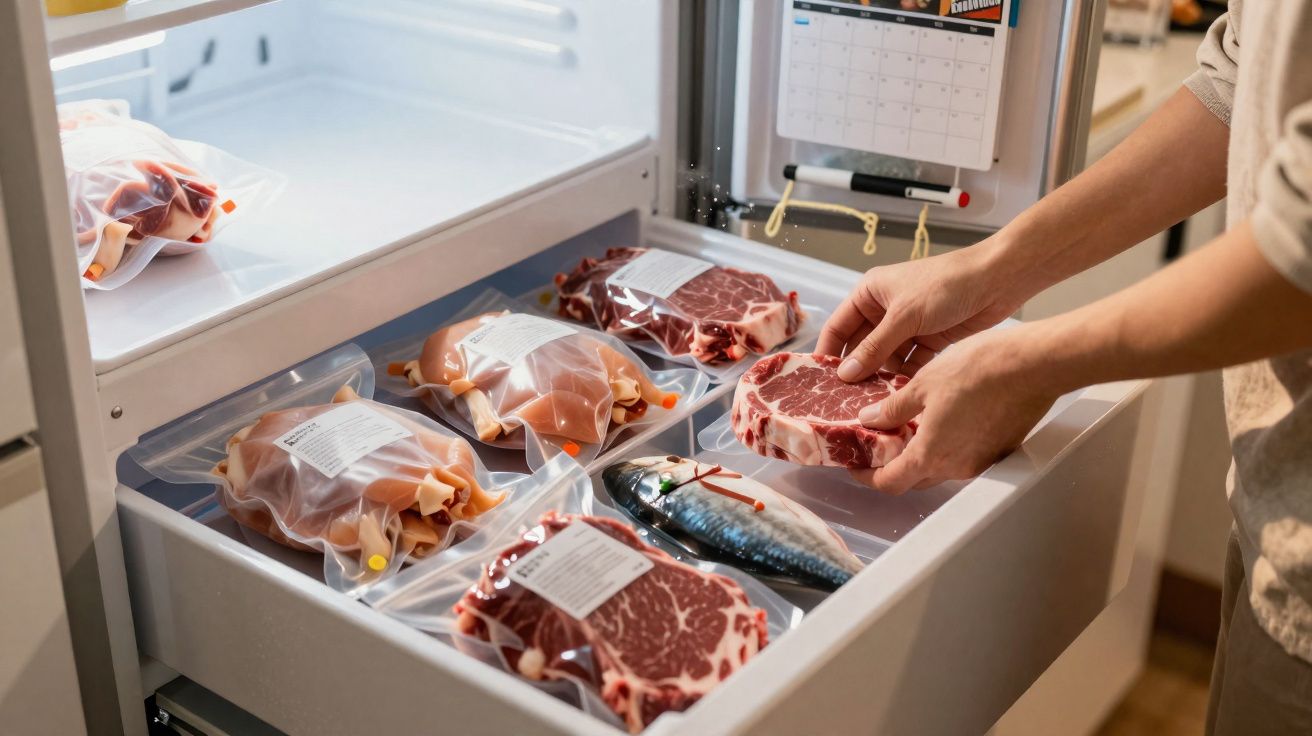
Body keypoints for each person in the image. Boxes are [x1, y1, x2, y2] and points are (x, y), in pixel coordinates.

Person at [818, 4, 1312, 734]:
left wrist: (1033, 363)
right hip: (1281, 492)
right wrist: (991, 269)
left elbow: (1301, 250)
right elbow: (1246, 82)